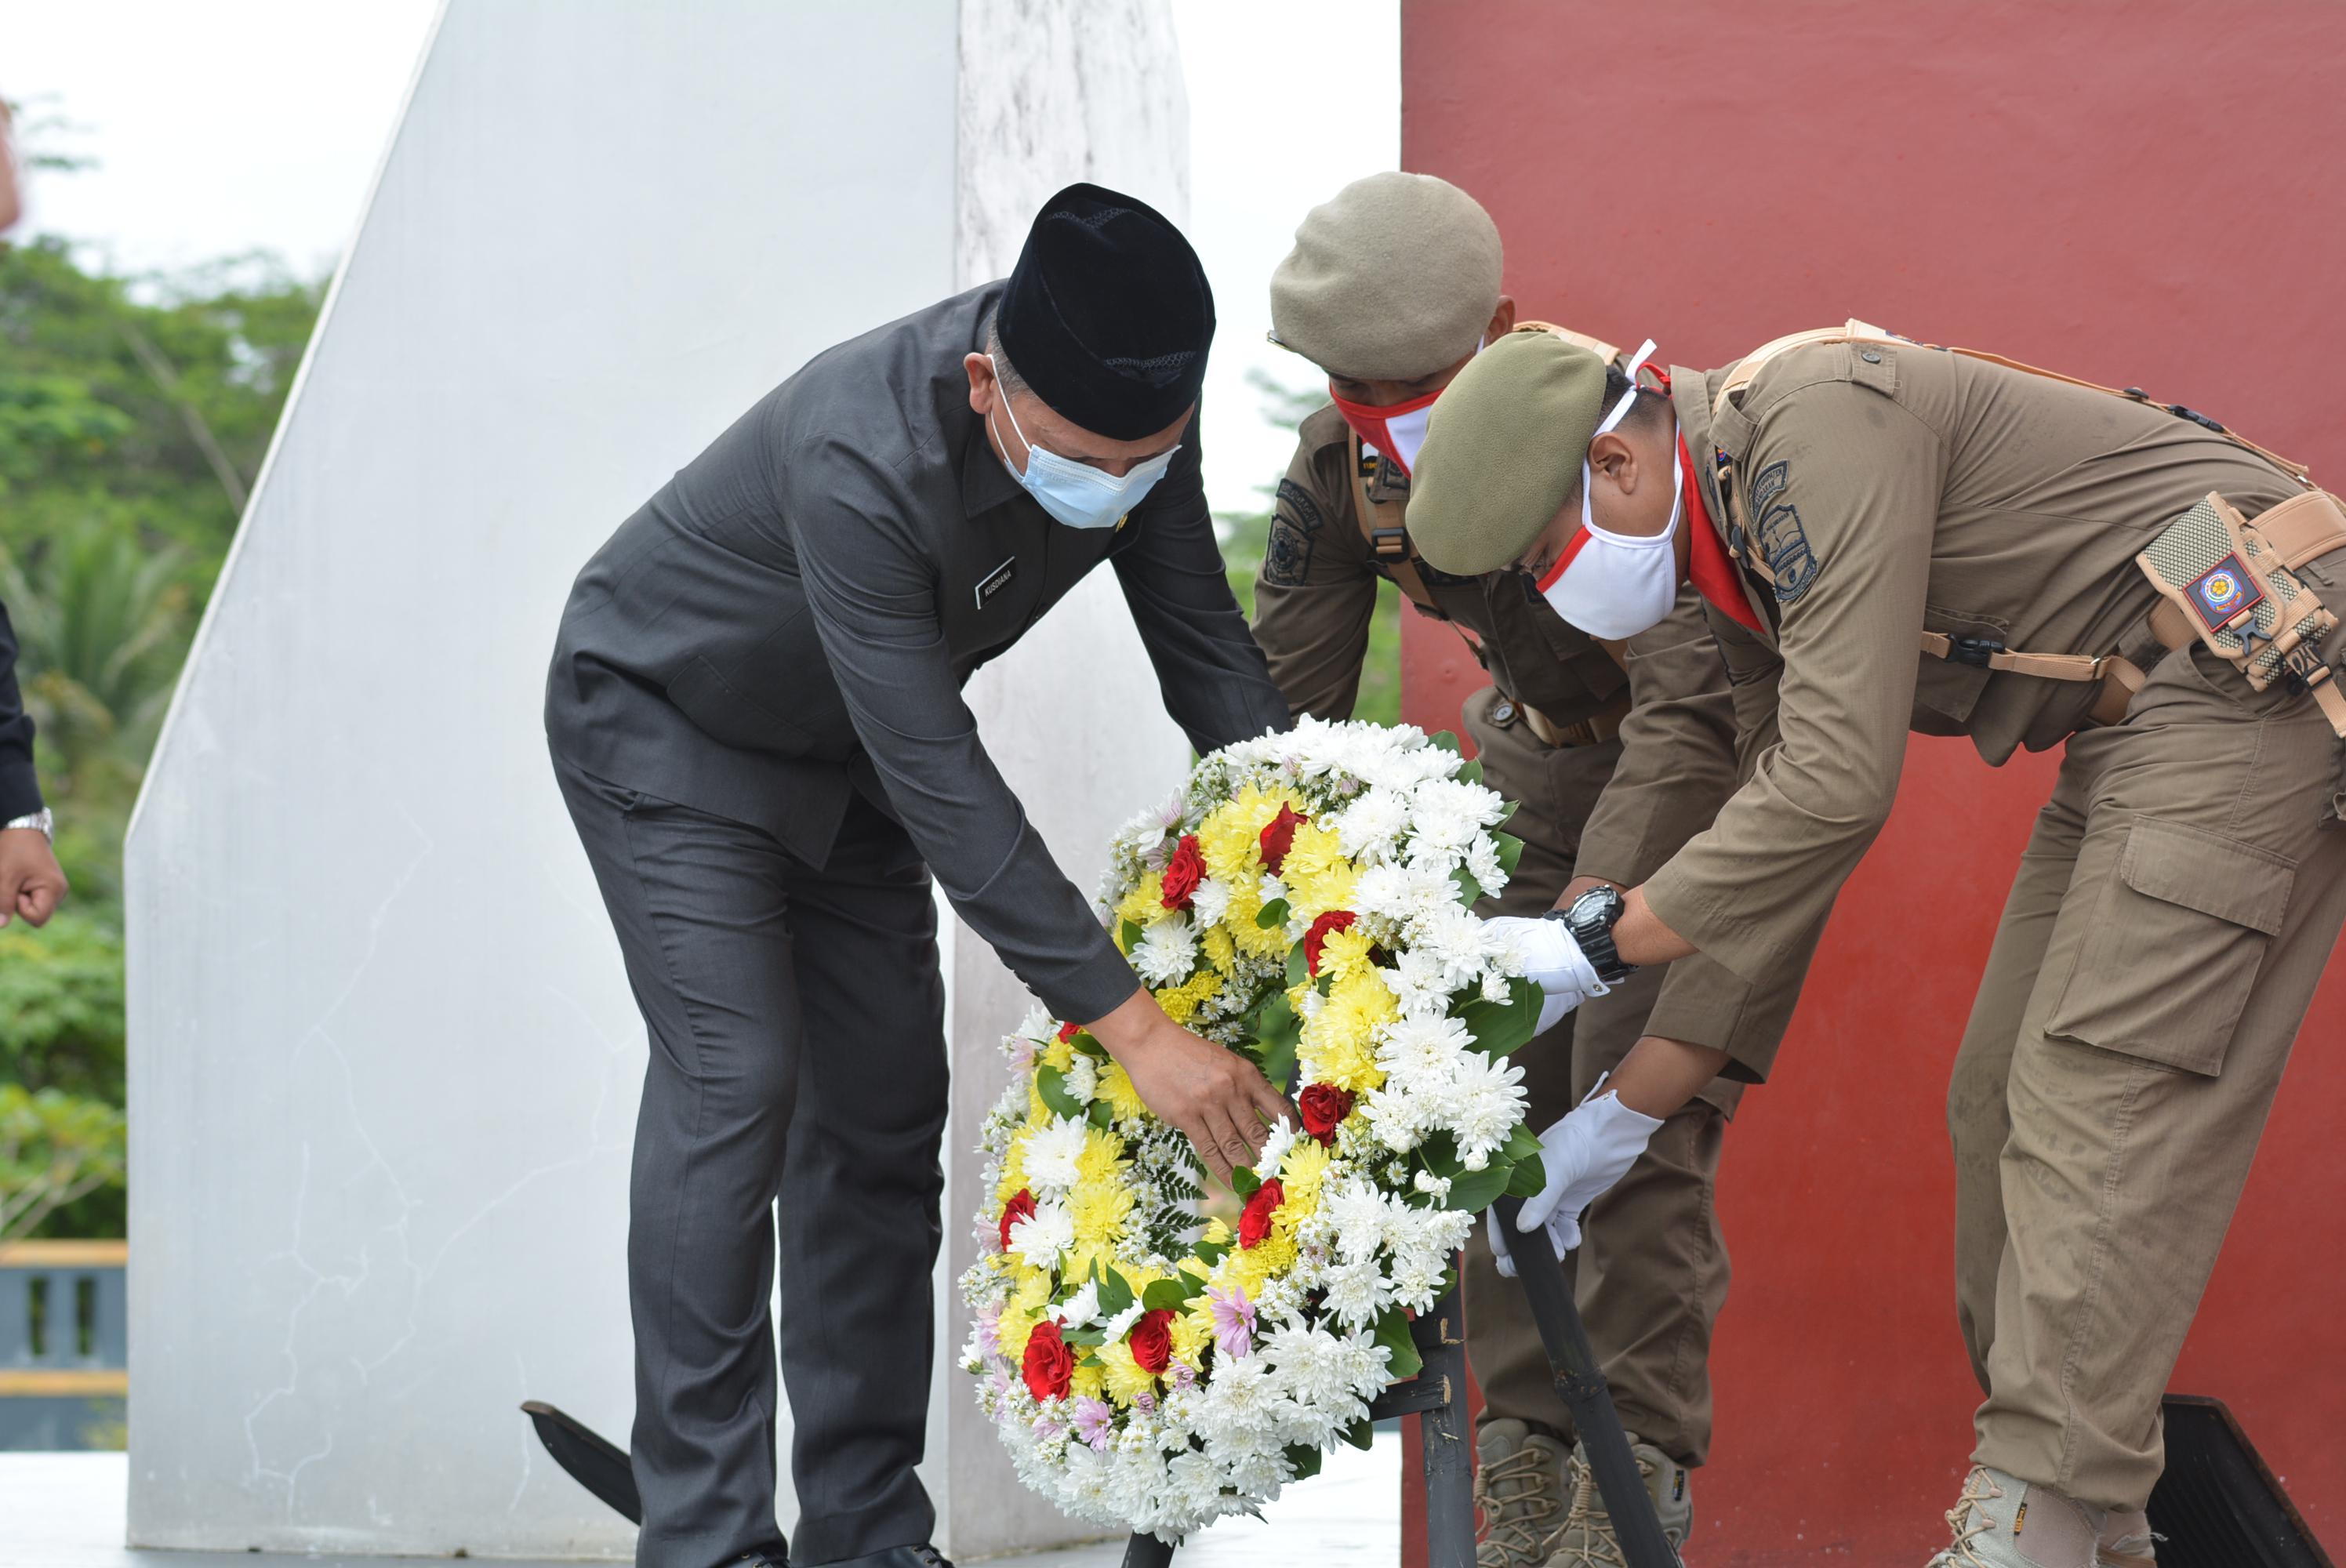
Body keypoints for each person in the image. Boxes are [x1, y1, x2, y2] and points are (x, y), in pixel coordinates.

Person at [1404, 323, 2346, 1567]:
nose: (1551, 590)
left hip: (2258, 659)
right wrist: (1626, 1109)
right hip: (2152, 702)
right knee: (1997, 1106)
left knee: (2096, 1093)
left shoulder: (1806, 428)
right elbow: (1770, 837)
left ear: (1613, 464)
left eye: (1539, 555)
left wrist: (1600, 947)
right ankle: (2100, 1521)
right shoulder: (1731, 538)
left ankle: (2034, 1521)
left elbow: (1837, 786)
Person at [545, 185, 1294, 1568]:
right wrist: (1136, 1031)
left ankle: (868, 1535)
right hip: (671, 729)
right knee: (740, 1077)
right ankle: (705, 1539)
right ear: (983, 385)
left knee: (885, 1115)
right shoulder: (859, 453)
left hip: (849, 761)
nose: (1120, 486)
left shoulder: (1136, 444)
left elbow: (1211, 662)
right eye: (1088, 460)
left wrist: (1333, 856)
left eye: (1152, 458)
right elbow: (944, 777)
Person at [1248, 171, 1804, 1568]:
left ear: (1497, 326)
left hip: (1684, 756)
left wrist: (1586, 931)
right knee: (1478, 1106)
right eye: (1348, 380)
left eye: (1409, 376)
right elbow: (1284, 725)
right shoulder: (1337, 474)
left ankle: (1640, 1475)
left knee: (1635, 1119)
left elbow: (1691, 709)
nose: (1378, 408)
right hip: (1520, 767)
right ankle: (1527, 1459)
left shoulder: (1605, 438)